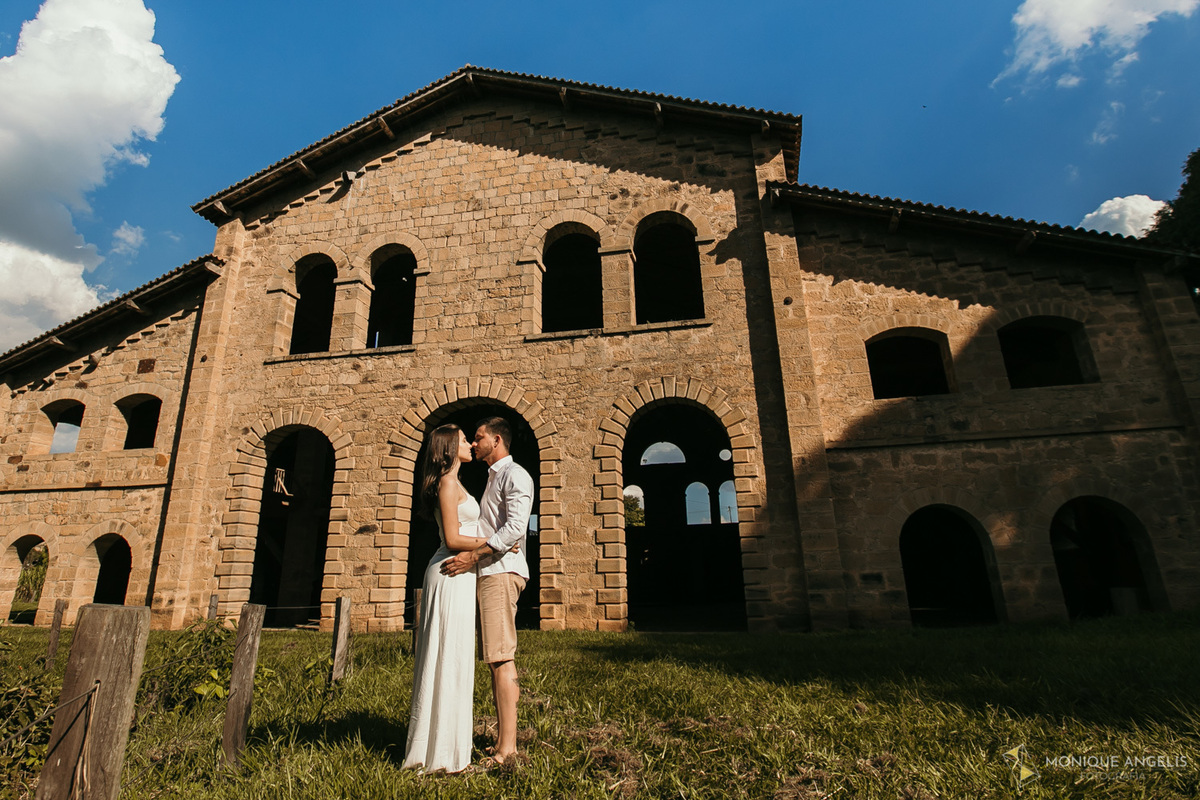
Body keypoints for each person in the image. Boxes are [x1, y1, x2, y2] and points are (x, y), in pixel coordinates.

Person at [441, 416, 533, 766]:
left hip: (501, 571)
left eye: (478, 437)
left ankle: (508, 748)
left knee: (501, 657)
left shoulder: (515, 475)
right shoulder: (493, 478)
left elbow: (515, 528)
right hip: (490, 571)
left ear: (496, 440)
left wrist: (474, 555)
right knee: (495, 658)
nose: (474, 443)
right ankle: (502, 742)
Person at [402, 424, 491, 774]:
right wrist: (496, 543)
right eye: (464, 440)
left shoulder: (456, 482)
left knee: (455, 656)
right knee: (446, 655)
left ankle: (451, 748)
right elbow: (453, 538)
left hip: (461, 573)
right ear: (450, 447)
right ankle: (437, 753)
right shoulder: (447, 483)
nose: (470, 444)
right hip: (450, 571)